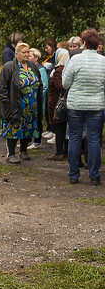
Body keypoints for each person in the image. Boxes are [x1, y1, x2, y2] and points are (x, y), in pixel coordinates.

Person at [62, 29, 105, 185]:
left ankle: (74, 174)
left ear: (84, 43)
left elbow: (65, 83)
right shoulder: (103, 61)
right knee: (94, 139)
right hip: (96, 105)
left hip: (76, 104)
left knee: (74, 137)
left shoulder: (75, 59)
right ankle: (94, 175)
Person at [0, 42, 43, 164]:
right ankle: (11, 153)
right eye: (24, 52)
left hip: (31, 105)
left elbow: (39, 83)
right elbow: (1, 88)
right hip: (15, 104)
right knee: (13, 127)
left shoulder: (32, 65)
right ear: (16, 54)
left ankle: (23, 151)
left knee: (28, 126)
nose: (27, 54)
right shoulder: (9, 66)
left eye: (28, 52)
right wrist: (6, 104)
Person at [46, 48, 69, 161]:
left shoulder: (59, 70)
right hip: (63, 104)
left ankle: (59, 152)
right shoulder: (67, 69)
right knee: (64, 128)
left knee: (59, 128)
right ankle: (64, 151)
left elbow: (60, 87)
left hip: (57, 104)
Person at [26, 48, 48, 149]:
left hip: (38, 100)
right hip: (30, 100)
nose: (28, 57)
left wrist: (37, 97)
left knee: (37, 120)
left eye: (30, 56)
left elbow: (44, 86)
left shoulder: (40, 69)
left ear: (36, 58)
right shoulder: (27, 67)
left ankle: (37, 141)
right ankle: (28, 140)